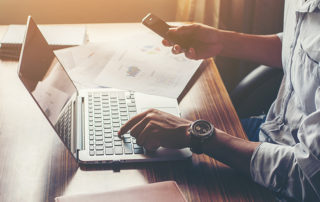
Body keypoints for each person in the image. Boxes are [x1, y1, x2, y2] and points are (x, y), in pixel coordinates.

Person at [118, 0, 320, 201]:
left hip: (290, 177)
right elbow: (300, 44)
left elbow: (307, 178)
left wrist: (194, 134)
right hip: (270, 128)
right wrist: (221, 41)